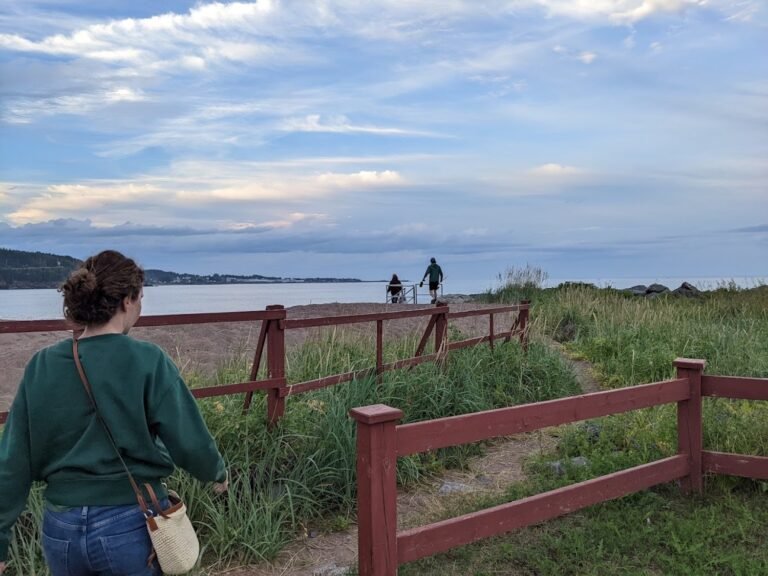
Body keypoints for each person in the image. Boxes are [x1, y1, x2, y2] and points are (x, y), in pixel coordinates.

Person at [0, 250, 228, 576]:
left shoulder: (43, 365)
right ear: (126, 301)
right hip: (130, 522)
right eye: (140, 298)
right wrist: (216, 472)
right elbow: (188, 439)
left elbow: (13, 460)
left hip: (60, 528)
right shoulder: (148, 360)